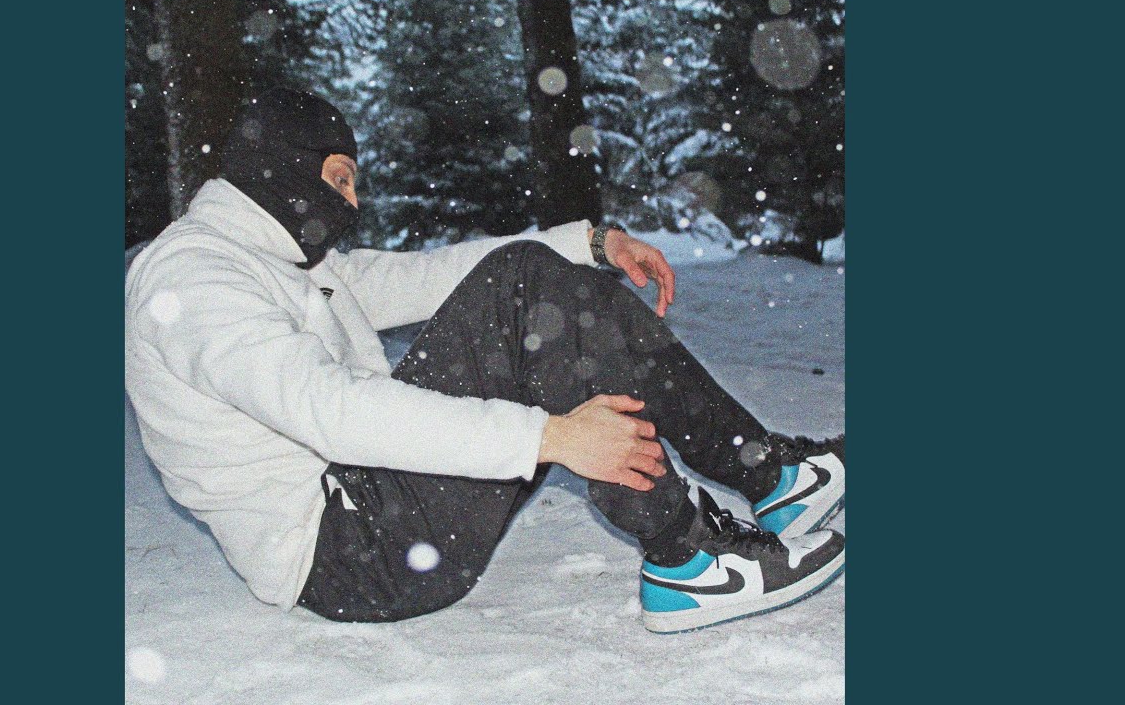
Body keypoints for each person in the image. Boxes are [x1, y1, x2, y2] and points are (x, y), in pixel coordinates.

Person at [124, 88, 846, 633]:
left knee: (535, 284)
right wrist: (551, 437)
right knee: (523, 288)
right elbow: (330, 410)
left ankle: (773, 475)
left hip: (375, 506)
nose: (352, 203)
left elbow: (427, 277)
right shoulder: (195, 280)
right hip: (348, 551)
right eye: (339, 179)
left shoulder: (275, 260)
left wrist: (590, 246)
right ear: (283, 166)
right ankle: (687, 555)